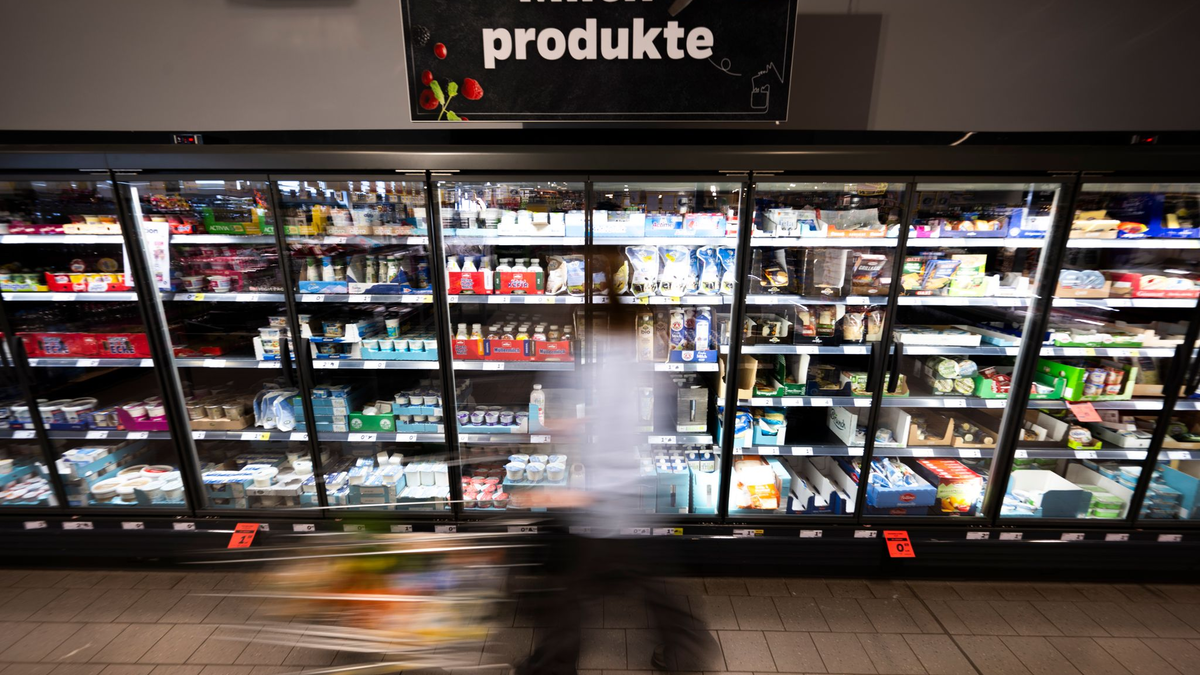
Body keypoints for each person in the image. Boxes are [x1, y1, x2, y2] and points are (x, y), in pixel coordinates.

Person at [513, 318, 717, 675]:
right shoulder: (627, 364)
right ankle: (684, 652)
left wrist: (559, 497)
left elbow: (612, 459)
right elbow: (611, 418)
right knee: (648, 583)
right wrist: (570, 423)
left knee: (570, 591)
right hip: (621, 506)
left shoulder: (614, 367)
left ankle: (552, 667)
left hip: (608, 509)